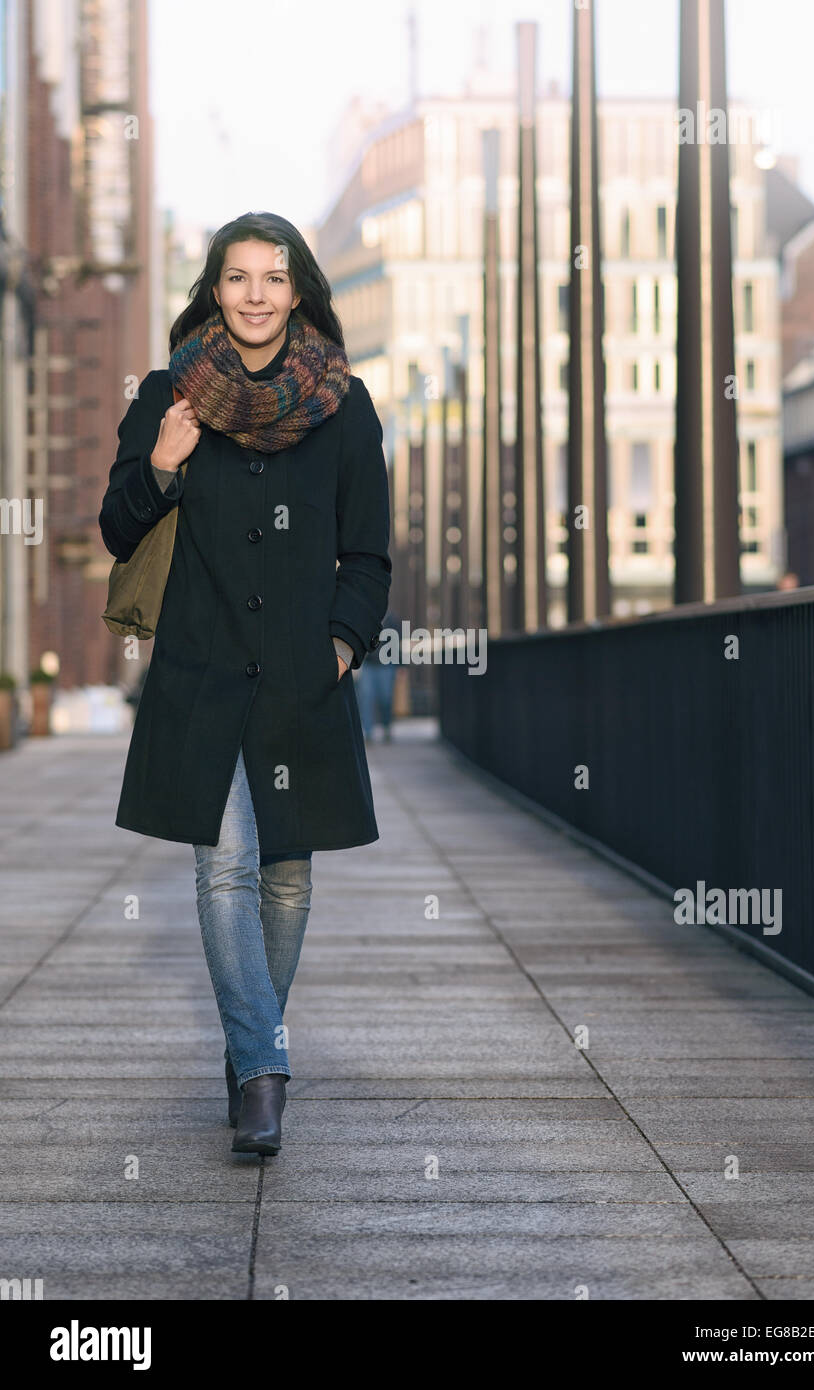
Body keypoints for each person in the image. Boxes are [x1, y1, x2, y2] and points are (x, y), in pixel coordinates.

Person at [98, 212, 391, 1156]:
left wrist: (342, 644)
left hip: (300, 674)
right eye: (237, 278)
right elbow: (115, 526)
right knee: (223, 864)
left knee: (288, 878)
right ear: (213, 289)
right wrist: (162, 465)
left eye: (272, 277)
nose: (255, 295)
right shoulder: (168, 393)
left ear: (298, 289)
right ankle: (263, 1071)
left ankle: (243, 1044)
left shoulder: (346, 404)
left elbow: (368, 552)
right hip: (202, 663)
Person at [356, 605, 400, 741]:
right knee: (366, 697)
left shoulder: (392, 620)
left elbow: (397, 644)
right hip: (369, 665)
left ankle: (386, 727)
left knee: (386, 698)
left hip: (386, 665)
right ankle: (368, 731)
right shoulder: (366, 618)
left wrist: (401, 666)